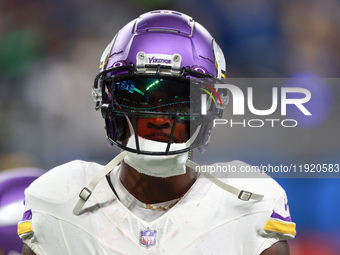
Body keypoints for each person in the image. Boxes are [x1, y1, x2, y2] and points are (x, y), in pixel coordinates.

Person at [18, 10, 296, 254]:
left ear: (209, 108)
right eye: (138, 97)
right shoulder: (60, 200)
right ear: (108, 102)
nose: (159, 118)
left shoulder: (248, 206)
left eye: (180, 100)